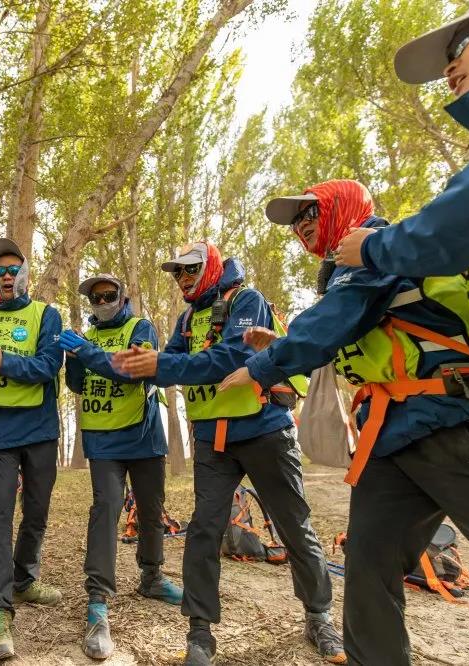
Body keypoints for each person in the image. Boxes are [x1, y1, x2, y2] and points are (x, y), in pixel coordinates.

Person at [216, 179, 469, 665]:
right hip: (390, 439)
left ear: (343, 207)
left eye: (309, 214)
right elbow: (352, 333)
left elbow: (334, 320)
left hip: (451, 422)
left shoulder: (377, 245)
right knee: (368, 567)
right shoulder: (346, 271)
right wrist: (279, 345)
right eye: (295, 222)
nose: (300, 227)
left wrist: (260, 367)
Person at [331, 3, 469, 662]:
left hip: (454, 420)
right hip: (442, 418)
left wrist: (373, 251)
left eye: (464, 37)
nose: (451, 65)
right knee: (371, 566)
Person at [111, 243, 343, 666]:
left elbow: (233, 354)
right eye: (177, 272)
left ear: (212, 267)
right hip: (212, 441)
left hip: (265, 430)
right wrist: (146, 364)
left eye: (191, 269)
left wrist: (162, 365)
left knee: (294, 526)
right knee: (204, 530)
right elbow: (171, 363)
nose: (183, 279)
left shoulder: (247, 300)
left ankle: (319, 617)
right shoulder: (186, 320)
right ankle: (199, 633)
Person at [60, 273, 182, 660]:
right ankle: (97, 600)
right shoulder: (87, 337)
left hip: (144, 438)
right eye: (95, 298)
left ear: (122, 297)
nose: (101, 302)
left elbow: (132, 370)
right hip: (102, 440)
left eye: (108, 295)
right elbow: (77, 384)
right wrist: (73, 359)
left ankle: (152, 577)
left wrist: (85, 352)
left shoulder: (140, 328)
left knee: (151, 509)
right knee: (106, 508)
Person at [0, 237, 63, 662]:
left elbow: (48, 365)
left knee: (37, 511)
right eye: (0, 271)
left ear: (25, 273)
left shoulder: (46, 314)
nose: (7, 276)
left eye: (14, 269)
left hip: (40, 430)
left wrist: (2, 361)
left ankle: (24, 581)